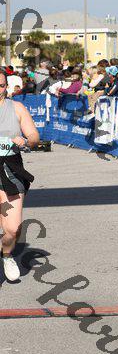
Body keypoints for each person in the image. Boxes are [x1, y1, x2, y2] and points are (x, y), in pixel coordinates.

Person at [0, 69, 40, 281]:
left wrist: (26, 141)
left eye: (1, 85)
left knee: (13, 229)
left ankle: (6, 255)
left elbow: (34, 136)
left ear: (6, 87)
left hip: (10, 169)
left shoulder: (16, 108)